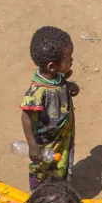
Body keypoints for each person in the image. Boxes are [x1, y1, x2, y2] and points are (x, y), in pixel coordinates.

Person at [21, 26, 79, 190]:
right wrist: (32, 144)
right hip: (46, 143)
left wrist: (69, 86)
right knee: (42, 170)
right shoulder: (38, 92)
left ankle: (60, 189)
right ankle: (39, 194)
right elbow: (26, 116)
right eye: (68, 58)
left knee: (61, 164)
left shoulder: (56, 77)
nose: (72, 60)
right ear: (52, 66)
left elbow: (61, 84)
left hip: (62, 138)